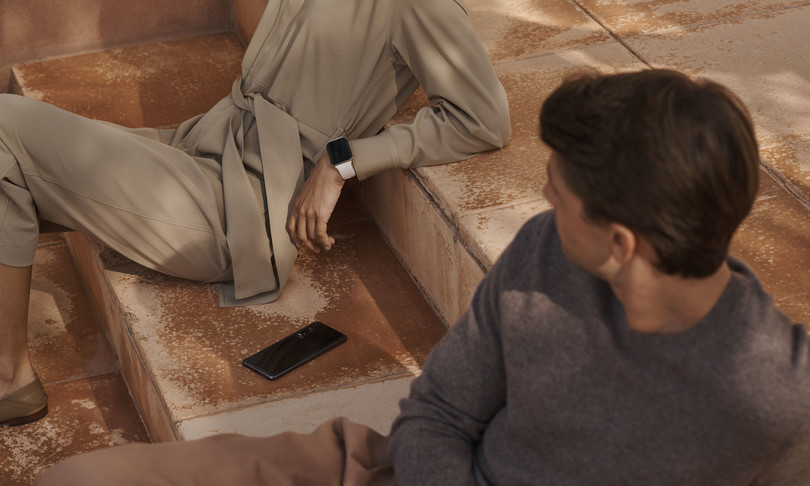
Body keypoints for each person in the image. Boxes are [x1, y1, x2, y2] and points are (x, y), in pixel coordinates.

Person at [36, 68, 810, 485]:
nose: (543, 197)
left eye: (560, 190)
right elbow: (437, 414)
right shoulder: (545, 254)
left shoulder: (773, 400)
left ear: (620, 241)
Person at [0, 0, 511, 427]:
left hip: (236, 209)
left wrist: (343, 162)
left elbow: (482, 120)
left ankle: (9, 377)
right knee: (12, 163)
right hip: (202, 148)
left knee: (4, 129)